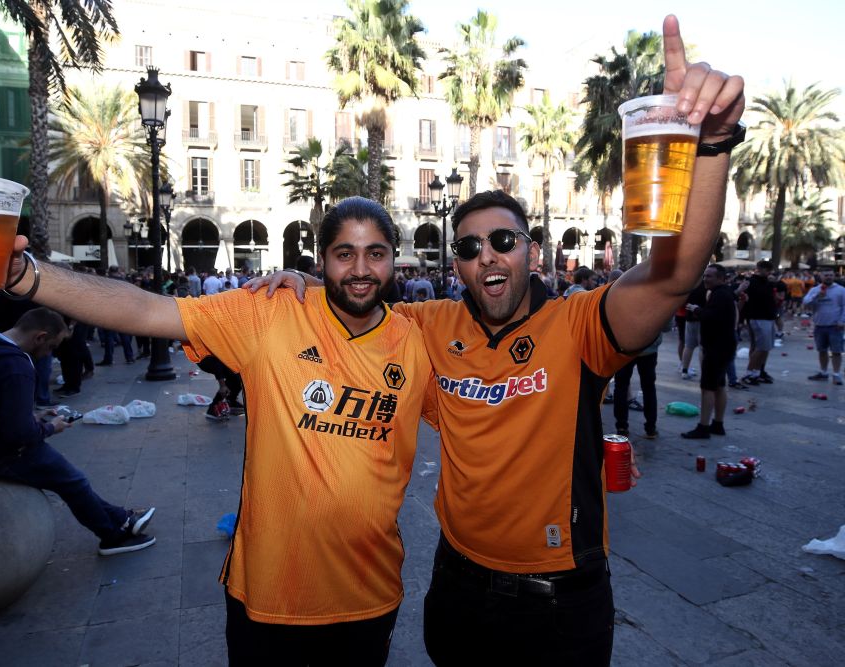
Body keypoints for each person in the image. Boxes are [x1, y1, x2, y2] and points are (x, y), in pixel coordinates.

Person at [251, 17, 742, 664]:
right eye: (469, 247)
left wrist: (710, 145)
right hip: (458, 588)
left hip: (560, 603)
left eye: (504, 241)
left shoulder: (577, 325)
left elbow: (675, 274)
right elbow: (357, 309)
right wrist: (306, 284)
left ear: (530, 251)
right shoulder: (427, 329)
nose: (488, 256)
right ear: (455, 263)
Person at [0, 197, 434, 666]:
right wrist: (26, 276)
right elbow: (143, 309)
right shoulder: (269, 313)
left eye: (376, 253)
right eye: (344, 254)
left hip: (370, 594)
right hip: (267, 594)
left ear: (395, 257)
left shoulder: (416, 340)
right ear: (322, 258)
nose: (362, 269)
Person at [0, 307, 156, 555]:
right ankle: (111, 537)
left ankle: (121, 518)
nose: (49, 353)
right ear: (40, 337)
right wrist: (50, 427)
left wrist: (33, 416)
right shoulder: (17, 366)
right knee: (72, 481)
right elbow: (19, 435)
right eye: (50, 347)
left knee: (70, 478)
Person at [681, 264, 737, 438]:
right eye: (705, 276)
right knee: (719, 386)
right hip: (724, 346)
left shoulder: (720, 295)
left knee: (708, 388)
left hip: (716, 348)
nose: (705, 279)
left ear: (721, 278)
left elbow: (710, 317)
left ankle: (704, 426)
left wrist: (696, 309)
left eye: (709, 276)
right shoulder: (724, 293)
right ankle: (718, 424)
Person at [736, 259, 777, 385]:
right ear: (762, 270)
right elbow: (743, 300)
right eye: (768, 270)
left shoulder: (766, 282)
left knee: (764, 347)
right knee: (760, 348)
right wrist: (741, 320)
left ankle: (757, 372)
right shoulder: (751, 282)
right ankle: (749, 373)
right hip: (758, 318)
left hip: (767, 318)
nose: (770, 273)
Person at [803, 270, 845, 385]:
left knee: (836, 351)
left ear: (834, 276)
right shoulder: (815, 290)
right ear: (821, 276)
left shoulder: (841, 290)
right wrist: (817, 296)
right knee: (822, 350)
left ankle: (836, 375)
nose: (829, 277)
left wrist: (842, 321)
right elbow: (805, 302)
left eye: (831, 275)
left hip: (835, 326)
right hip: (820, 325)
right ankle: (823, 372)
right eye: (826, 275)